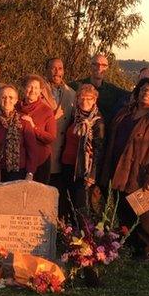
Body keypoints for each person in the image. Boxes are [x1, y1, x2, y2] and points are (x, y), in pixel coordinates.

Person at [99, 78, 149, 262]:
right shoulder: (125, 113)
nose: (146, 94)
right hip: (119, 169)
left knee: (144, 214)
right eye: (143, 90)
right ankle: (130, 247)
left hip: (141, 174)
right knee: (124, 211)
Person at [0, 85, 43, 223]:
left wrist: (30, 173)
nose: (7, 100)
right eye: (3, 97)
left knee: (13, 208)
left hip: (17, 171)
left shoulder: (23, 122)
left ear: (16, 100)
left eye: (10, 97)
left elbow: (32, 150)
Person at [59, 84, 104, 220]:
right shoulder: (74, 117)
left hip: (82, 171)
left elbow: (98, 150)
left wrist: (92, 174)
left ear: (95, 100)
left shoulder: (97, 122)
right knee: (66, 206)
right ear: (77, 99)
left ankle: (82, 238)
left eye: (89, 98)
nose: (85, 101)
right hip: (66, 166)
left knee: (81, 210)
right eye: (82, 98)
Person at [44, 58, 76, 206]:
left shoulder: (72, 94)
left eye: (60, 68)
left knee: (59, 200)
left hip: (63, 155)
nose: (57, 72)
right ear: (47, 70)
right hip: (43, 150)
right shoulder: (37, 90)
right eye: (53, 68)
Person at [17, 74, 56, 184]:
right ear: (24, 88)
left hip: (41, 160)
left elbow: (51, 138)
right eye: (29, 87)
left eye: (36, 88)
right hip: (20, 161)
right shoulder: (16, 107)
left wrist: (33, 127)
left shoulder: (46, 111)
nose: (32, 90)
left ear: (40, 91)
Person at [72, 54, 129, 121]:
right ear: (90, 66)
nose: (99, 68)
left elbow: (133, 95)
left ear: (107, 68)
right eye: (96, 64)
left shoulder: (113, 90)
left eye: (104, 65)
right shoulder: (76, 86)